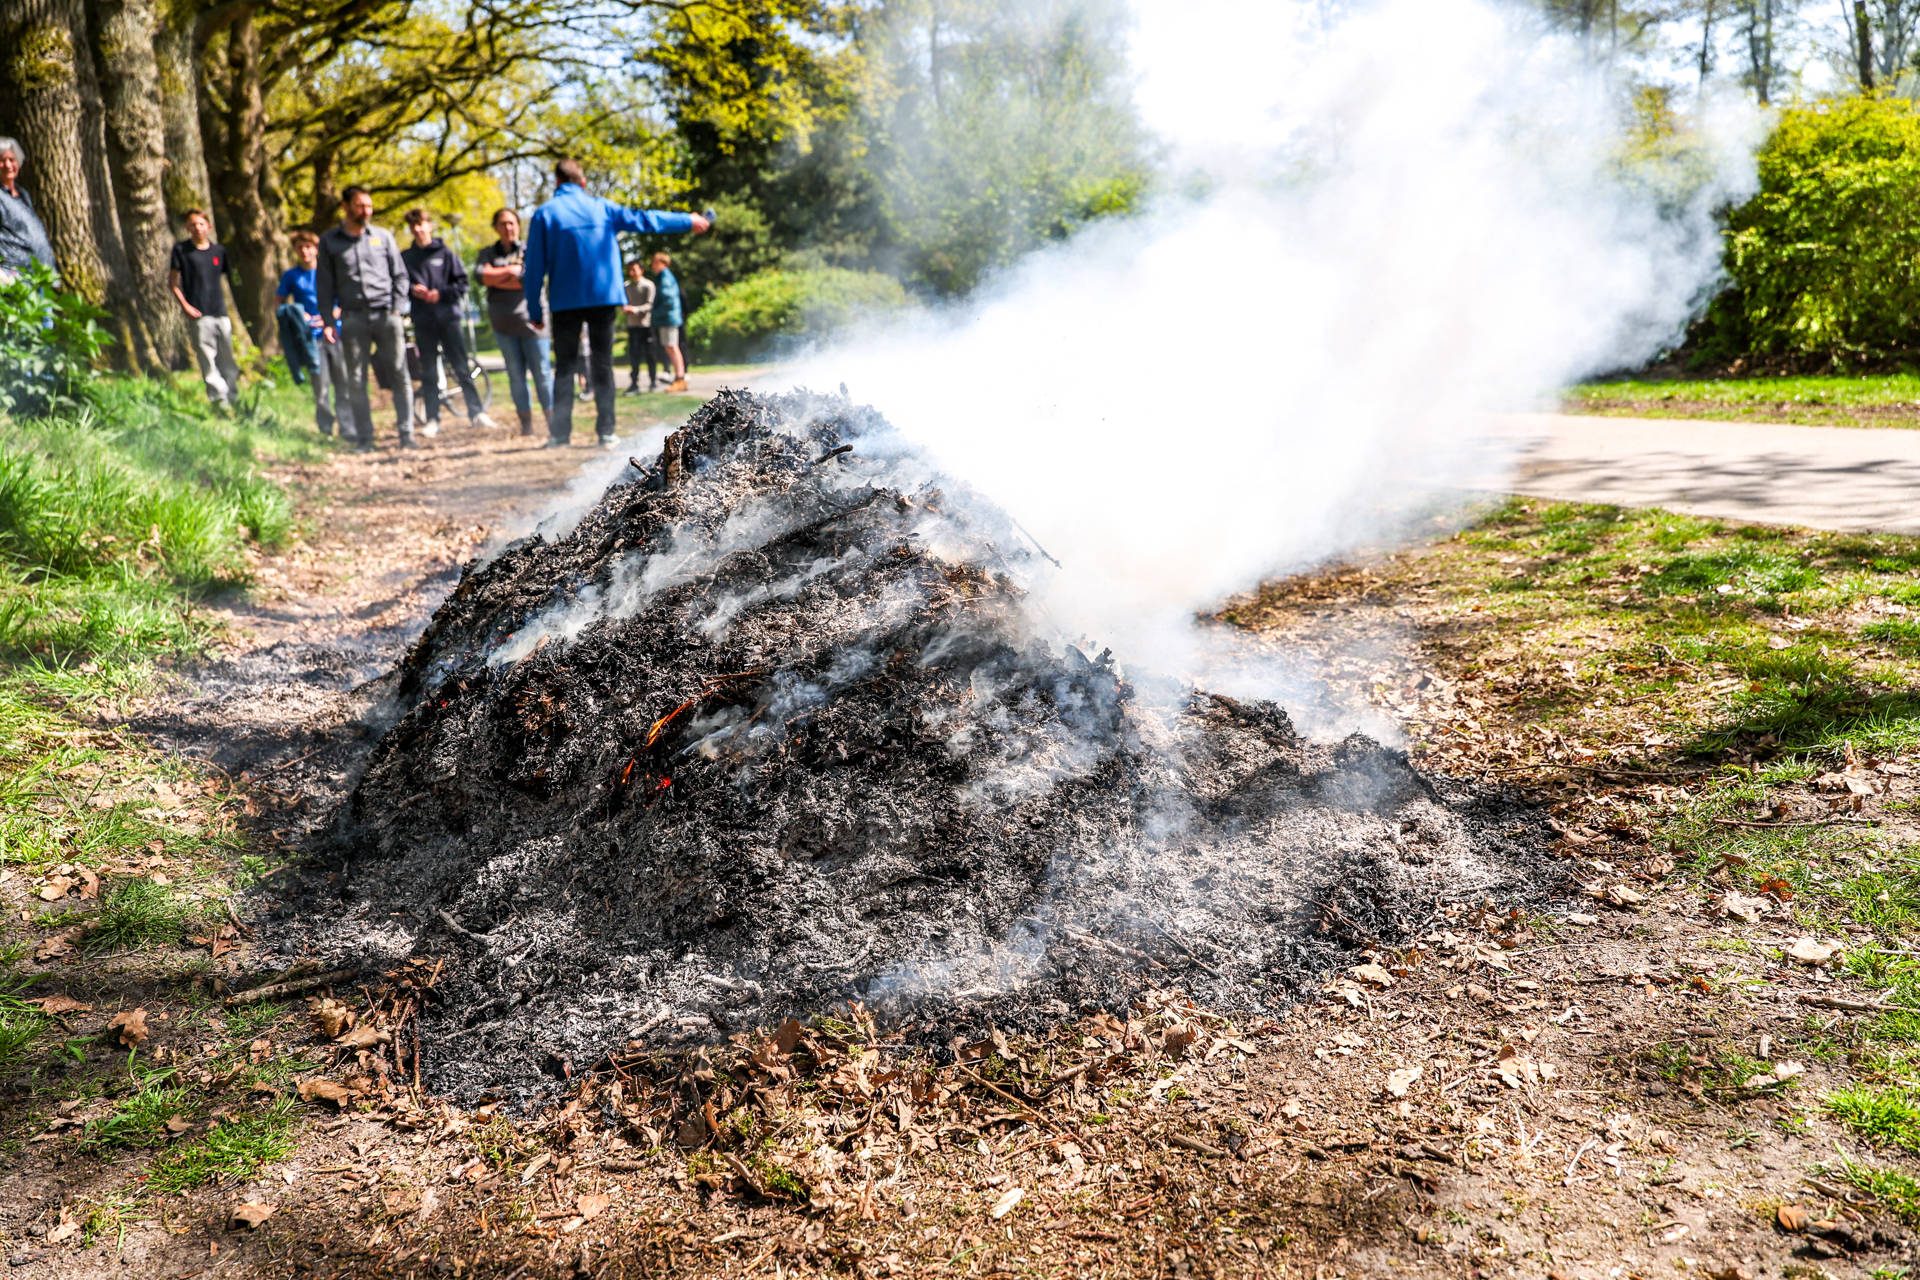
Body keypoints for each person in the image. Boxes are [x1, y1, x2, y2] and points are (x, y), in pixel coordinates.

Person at [522, 158, 707, 449]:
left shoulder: (545, 214)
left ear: (557, 183)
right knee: (602, 364)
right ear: (582, 183)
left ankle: (560, 434)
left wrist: (534, 309)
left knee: (566, 366)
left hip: (564, 301)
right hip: (603, 298)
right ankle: (606, 432)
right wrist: (688, 220)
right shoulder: (602, 208)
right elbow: (647, 220)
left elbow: (532, 268)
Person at [317, 186, 415, 450]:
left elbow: (401, 276)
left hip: (386, 315)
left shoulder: (383, 237)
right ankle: (365, 439)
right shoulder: (330, 241)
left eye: (369, 206)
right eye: (360, 206)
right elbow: (324, 285)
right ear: (346, 207)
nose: (366, 211)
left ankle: (407, 435)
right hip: (352, 319)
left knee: (399, 373)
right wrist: (328, 321)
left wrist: (397, 307)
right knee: (356, 379)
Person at [401, 208, 496, 435]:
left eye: (421, 223)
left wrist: (439, 294)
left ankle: (477, 412)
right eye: (413, 225)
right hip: (423, 320)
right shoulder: (405, 258)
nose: (418, 228)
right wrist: (412, 290)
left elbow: (462, 284)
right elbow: (399, 285)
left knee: (461, 367)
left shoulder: (445, 253)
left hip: (449, 319)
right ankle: (433, 419)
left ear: (429, 225)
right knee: (429, 372)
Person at [474, 208, 552, 438]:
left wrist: (496, 278)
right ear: (496, 227)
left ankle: (552, 425)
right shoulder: (487, 252)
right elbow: (481, 276)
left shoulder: (531, 250)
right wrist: (510, 271)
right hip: (503, 326)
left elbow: (528, 281)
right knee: (516, 376)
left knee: (542, 374)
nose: (508, 228)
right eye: (503, 223)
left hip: (534, 323)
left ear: (518, 225)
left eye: (512, 223)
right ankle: (526, 425)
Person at [276, 231, 348, 437]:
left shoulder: (329, 272)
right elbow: (279, 302)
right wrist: (300, 316)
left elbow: (343, 299)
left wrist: (331, 317)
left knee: (343, 382)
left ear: (316, 249)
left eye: (308, 247)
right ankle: (326, 429)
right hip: (310, 338)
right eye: (300, 247)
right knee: (321, 385)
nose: (304, 251)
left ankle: (348, 427)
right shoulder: (291, 276)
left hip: (336, 333)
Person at [169, 209, 242, 410]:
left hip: (220, 312)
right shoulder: (181, 251)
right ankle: (219, 402)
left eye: (201, 224)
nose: (197, 228)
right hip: (198, 315)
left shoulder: (219, 251)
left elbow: (231, 279)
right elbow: (173, 283)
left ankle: (233, 397)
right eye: (192, 224)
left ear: (208, 227)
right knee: (207, 359)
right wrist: (186, 306)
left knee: (227, 358)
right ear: (187, 228)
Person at [0, 138, 56, 283]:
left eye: (11, 159)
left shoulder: (22, 194)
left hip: (39, 274)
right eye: (1, 160)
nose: (7, 165)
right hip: (14, 278)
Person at [650, 251, 689, 394]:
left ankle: (680, 379)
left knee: (672, 347)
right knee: (670, 347)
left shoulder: (665, 278)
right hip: (667, 318)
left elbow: (668, 300)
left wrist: (653, 313)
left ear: (662, 263)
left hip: (668, 319)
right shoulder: (663, 277)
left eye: (654, 262)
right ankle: (678, 378)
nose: (652, 265)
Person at [622, 259, 657, 393]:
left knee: (650, 355)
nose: (632, 272)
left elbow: (650, 304)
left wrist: (635, 310)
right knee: (634, 355)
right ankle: (634, 383)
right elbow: (624, 303)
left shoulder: (648, 285)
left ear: (641, 270)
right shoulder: (626, 286)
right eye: (630, 270)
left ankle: (653, 381)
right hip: (632, 326)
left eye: (634, 269)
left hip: (646, 325)